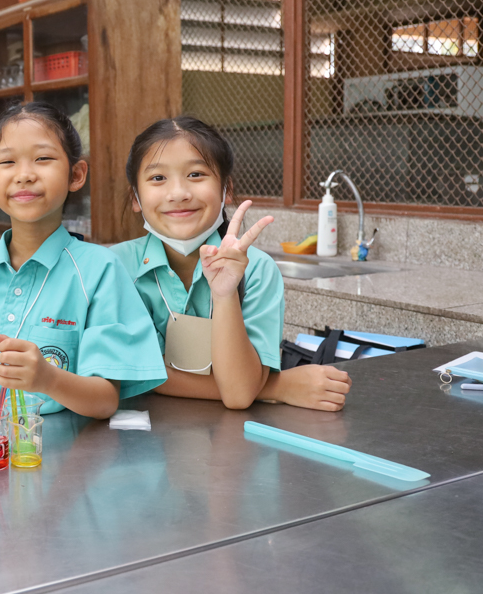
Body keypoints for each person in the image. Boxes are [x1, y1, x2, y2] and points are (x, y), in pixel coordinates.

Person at [0, 102, 167, 423]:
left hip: (56, 451)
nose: (24, 175)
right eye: (7, 161)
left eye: (43, 159)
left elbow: (105, 400)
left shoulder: (100, 273)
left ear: (76, 174)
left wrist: (48, 378)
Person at [111, 117, 351, 411]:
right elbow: (130, 373)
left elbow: (238, 395)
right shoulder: (115, 267)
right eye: (158, 178)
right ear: (135, 197)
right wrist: (276, 387)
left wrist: (225, 294)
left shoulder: (257, 269)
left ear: (226, 190)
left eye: (196, 174)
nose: (178, 193)